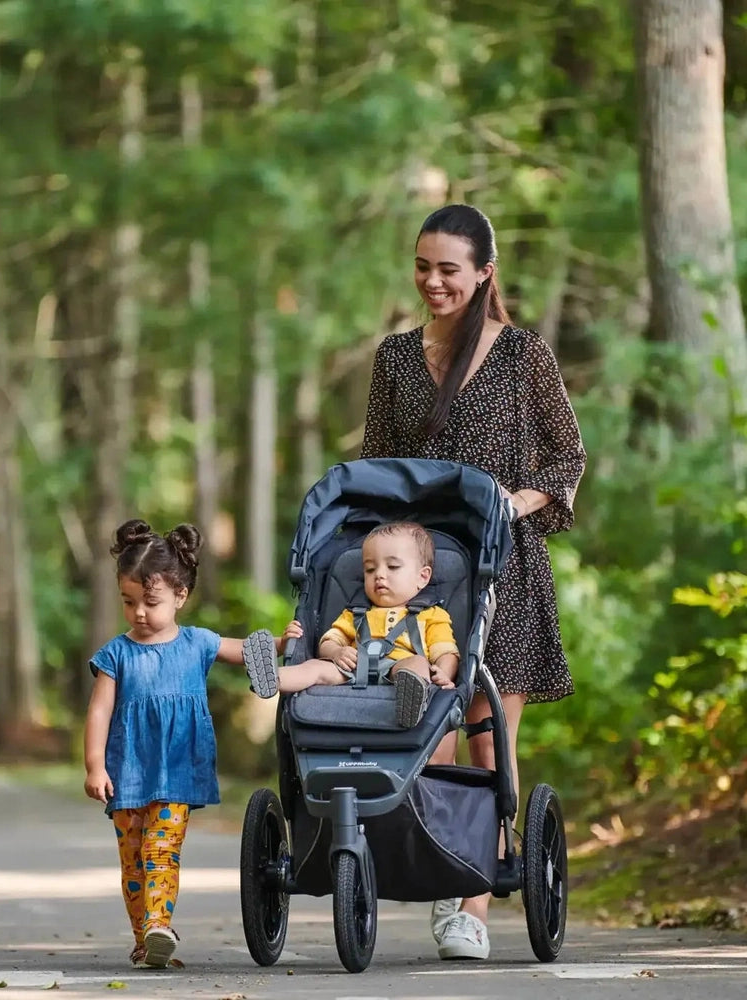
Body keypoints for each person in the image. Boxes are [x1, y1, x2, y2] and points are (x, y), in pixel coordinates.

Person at [360, 203, 586, 961]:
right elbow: (376, 468)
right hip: (417, 576)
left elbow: (567, 456)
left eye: (449, 269)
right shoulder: (396, 358)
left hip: (502, 569)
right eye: (422, 267)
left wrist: (519, 500)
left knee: (489, 740)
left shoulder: (523, 355)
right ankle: (444, 864)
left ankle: (473, 908)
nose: (433, 281)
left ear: (485, 272)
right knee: (429, 732)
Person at [83, 518, 297, 970]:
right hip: (127, 772)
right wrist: (95, 766)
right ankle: (144, 940)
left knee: (161, 850)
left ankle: (159, 925)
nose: (139, 613)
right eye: (128, 602)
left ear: (180, 596)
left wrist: (281, 642)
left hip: (177, 768)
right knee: (133, 861)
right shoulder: (116, 654)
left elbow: (243, 650)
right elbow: (99, 711)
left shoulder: (197, 642)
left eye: (151, 602)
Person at [244, 521, 459, 729]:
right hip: (354, 668)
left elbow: (446, 652)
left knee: (418, 664)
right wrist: (337, 652)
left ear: (423, 577)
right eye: (370, 569)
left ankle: (411, 698)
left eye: (393, 566)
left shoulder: (432, 616)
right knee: (315, 668)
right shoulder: (355, 612)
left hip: (399, 669)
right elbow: (329, 641)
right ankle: (272, 678)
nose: (379, 575)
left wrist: (443, 673)